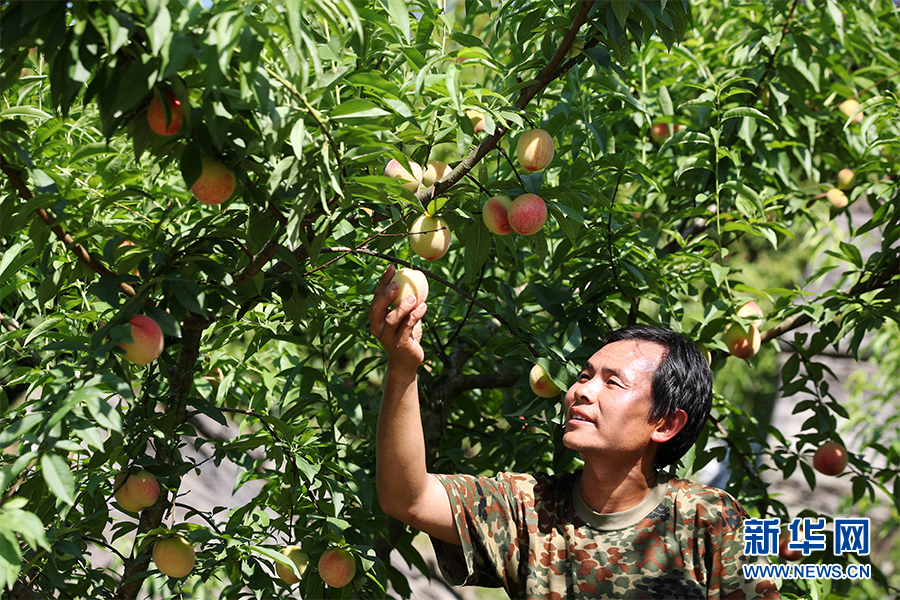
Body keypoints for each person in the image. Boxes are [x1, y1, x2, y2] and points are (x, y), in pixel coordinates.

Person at [369, 265, 780, 599]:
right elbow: (409, 497)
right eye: (584, 375)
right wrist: (403, 367)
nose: (581, 390)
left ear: (666, 423)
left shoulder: (708, 520)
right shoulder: (529, 509)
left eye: (612, 382)